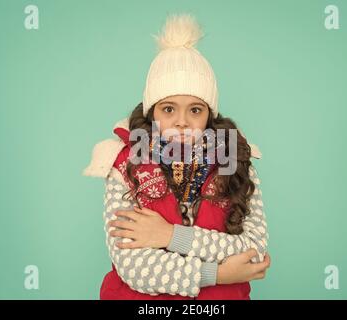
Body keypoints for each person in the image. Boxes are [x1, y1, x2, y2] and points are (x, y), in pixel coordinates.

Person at [83, 13, 270, 300]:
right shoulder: (124, 165)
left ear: (210, 115)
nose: (182, 121)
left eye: (195, 109)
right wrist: (219, 274)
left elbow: (253, 253)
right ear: (152, 112)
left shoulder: (236, 162)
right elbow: (133, 267)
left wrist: (170, 235)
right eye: (168, 109)